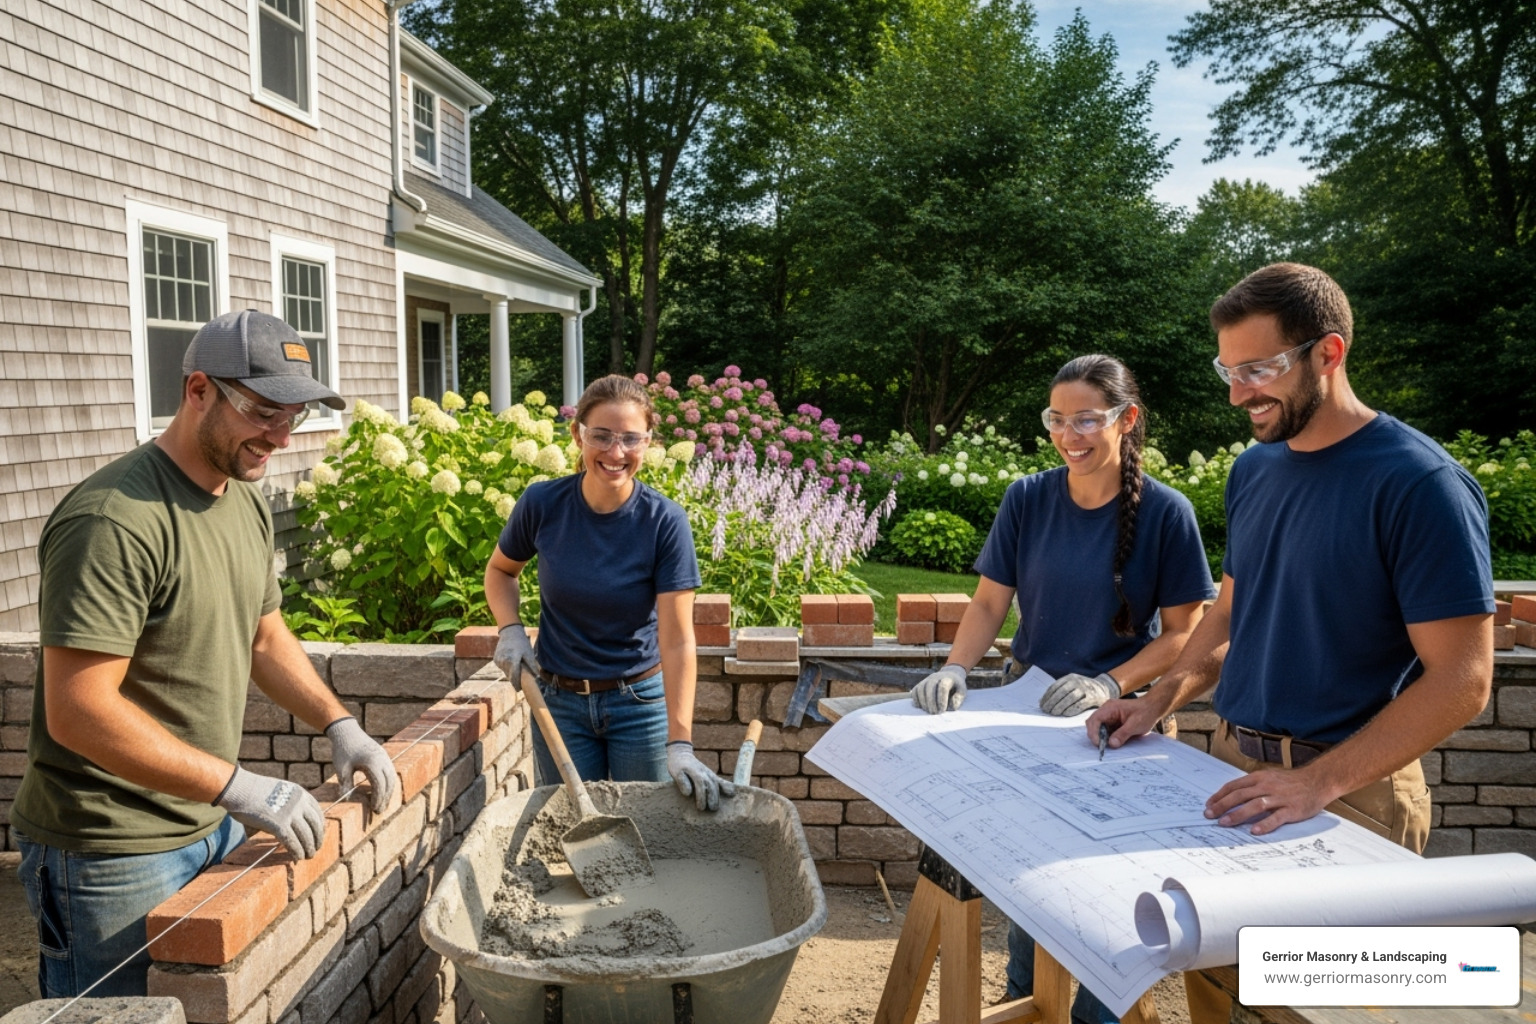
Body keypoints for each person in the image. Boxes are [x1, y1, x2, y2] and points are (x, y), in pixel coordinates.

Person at [1087, 263, 1495, 1023]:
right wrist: (1159, 699)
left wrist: (1320, 783)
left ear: (1328, 353)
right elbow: (1228, 616)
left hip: (1354, 796)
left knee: (1316, 1012)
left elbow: (1463, 682)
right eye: (1229, 370)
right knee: (1217, 991)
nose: (1239, 392)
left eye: (1260, 369)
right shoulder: (1255, 470)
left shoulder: (1421, 484)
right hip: (1234, 775)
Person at [12, 309, 400, 999]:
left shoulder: (242, 500)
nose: (280, 436)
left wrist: (339, 723)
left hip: (204, 821)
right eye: (263, 411)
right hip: (108, 850)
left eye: (295, 415)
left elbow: (264, 635)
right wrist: (239, 786)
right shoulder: (115, 519)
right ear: (198, 391)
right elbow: (77, 709)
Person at [911, 354, 1217, 1024]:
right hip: (1030, 718)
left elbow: (1184, 636)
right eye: (1057, 418)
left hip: (1123, 731)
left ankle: (1093, 1016)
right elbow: (991, 602)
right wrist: (956, 667)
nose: (1069, 433)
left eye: (1086, 418)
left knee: (1110, 897)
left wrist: (1111, 679)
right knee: (1032, 884)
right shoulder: (1028, 497)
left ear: (1125, 420)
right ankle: (1026, 999)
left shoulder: (1167, 513)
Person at [485, 374, 733, 812]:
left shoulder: (664, 522)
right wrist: (510, 629)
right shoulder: (543, 505)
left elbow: (676, 640)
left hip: (638, 703)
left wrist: (680, 743)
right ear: (578, 433)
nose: (615, 453)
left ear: (647, 443)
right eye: (601, 436)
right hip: (558, 703)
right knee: (571, 829)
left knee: (647, 828)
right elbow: (501, 571)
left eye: (630, 439)